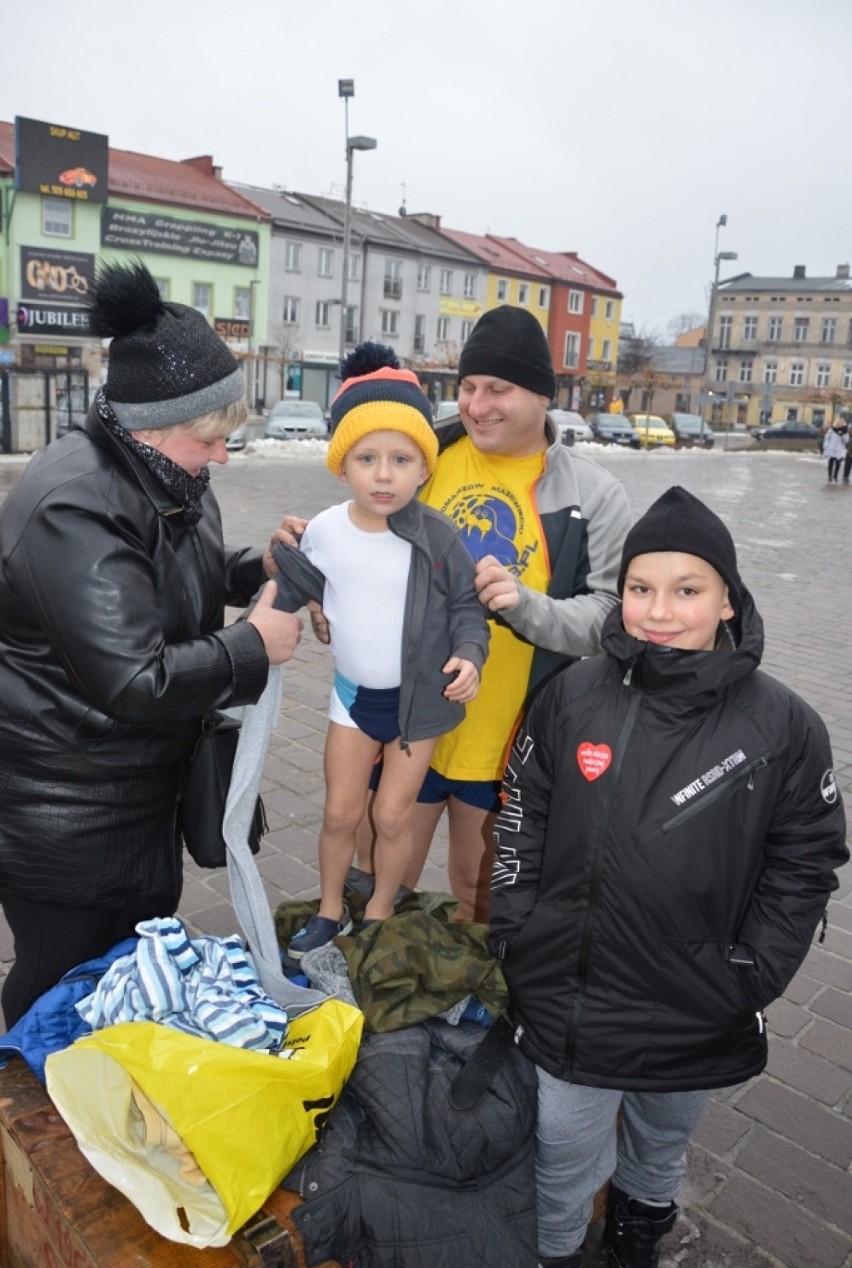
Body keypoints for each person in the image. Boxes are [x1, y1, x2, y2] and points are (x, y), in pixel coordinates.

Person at [488, 486, 848, 1268]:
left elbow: (807, 857)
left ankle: (637, 1240)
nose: (659, 610)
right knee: (563, 1151)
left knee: (660, 1141)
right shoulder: (571, 695)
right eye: (642, 588)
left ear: (727, 600)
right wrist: (517, 929)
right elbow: (521, 815)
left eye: (687, 590)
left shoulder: (783, 726)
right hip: (570, 1000)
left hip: (698, 1001)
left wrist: (752, 971)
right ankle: (554, 1257)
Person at [0, 261, 302, 1029]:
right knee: (55, 995)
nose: (225, 455)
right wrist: (253, 645)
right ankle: (28, 1131)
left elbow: (167, 579)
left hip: (138, 802)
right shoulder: (77, 501)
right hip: (69, 820)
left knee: (121, 988)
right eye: (213, 437)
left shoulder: (167, 474)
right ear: (154, 422)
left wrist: (254, 569)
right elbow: (135, 677)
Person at [372, 306, 632, 921]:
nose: (477, 404)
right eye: (467, 387)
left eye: (498, 389)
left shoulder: (593, 494)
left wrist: (526, 605)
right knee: (378, 881)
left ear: (542, 395)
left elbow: (613, 616)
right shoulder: (420, 453)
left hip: (510, 739)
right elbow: (364, 543)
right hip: (408, 722)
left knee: (479, 895)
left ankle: (475, 1004)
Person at [271, 343, 489, 958]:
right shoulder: (323, 532)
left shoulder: (440, 536)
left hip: (416, 707)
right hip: (351, 699)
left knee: (393, 816)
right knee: (342, 813)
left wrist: (470, 656)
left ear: (425, 468)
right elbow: (288, 590)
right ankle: (332, 907)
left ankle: (381, 909)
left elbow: (468, 609)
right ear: (343, 467)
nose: (384, 474)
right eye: (367, 458)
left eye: (401, 459)